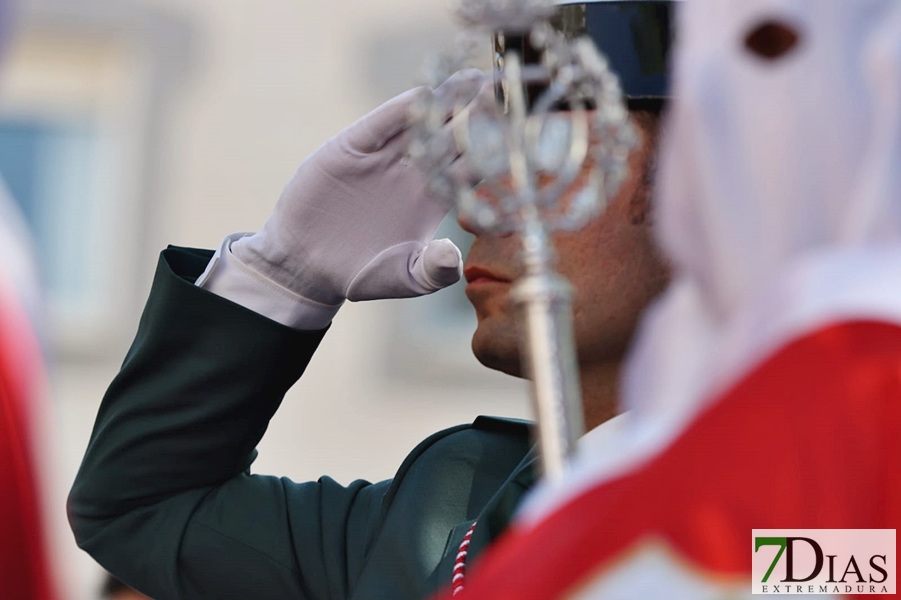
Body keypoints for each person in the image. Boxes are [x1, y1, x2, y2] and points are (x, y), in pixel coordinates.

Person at [68, 2, 675, 599]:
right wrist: (281, 276)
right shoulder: (445, 505)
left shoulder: (771, 536)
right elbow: (137, 508)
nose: (472, 210)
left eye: (548, 156)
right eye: (489, 162)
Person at [436, 1, 901, 599]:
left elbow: (840, 563)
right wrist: (281, 288)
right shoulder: (455, 492)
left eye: (554, 153)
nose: (476, 208)